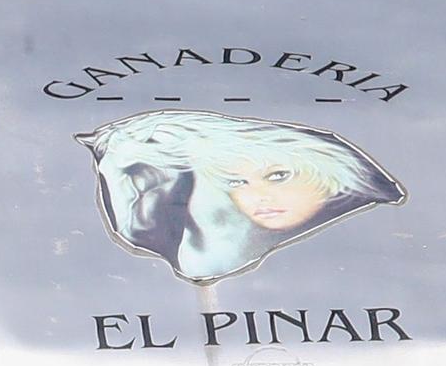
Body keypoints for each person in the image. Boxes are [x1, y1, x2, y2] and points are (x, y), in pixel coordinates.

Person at [84, 109, 405, 283]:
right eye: (236, 182)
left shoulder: (373, 246)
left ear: (329, 175)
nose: (258, 196)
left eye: (278, 175)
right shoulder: (220, 242)